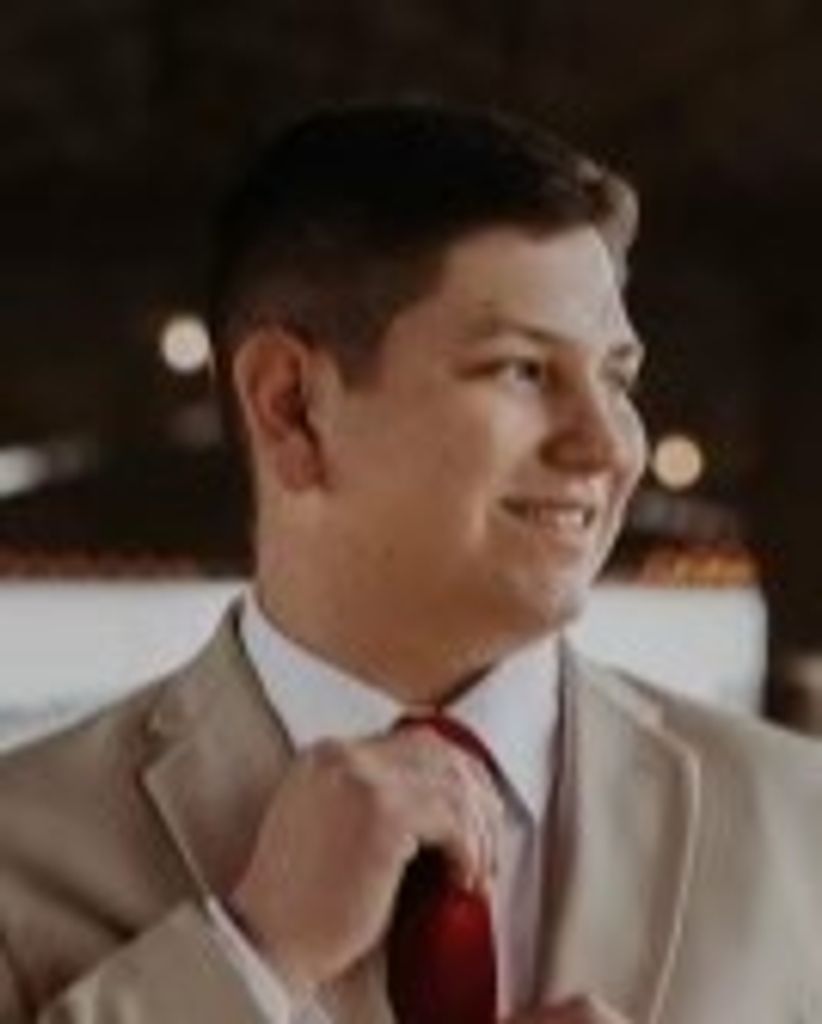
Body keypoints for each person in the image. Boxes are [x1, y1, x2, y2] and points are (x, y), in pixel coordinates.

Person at [1, 100, 822, 1024]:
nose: (607, 445)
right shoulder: (19, 851)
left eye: (617, 378)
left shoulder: (803, 829)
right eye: (522, 369)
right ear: (292, 407)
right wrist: (250, 956)